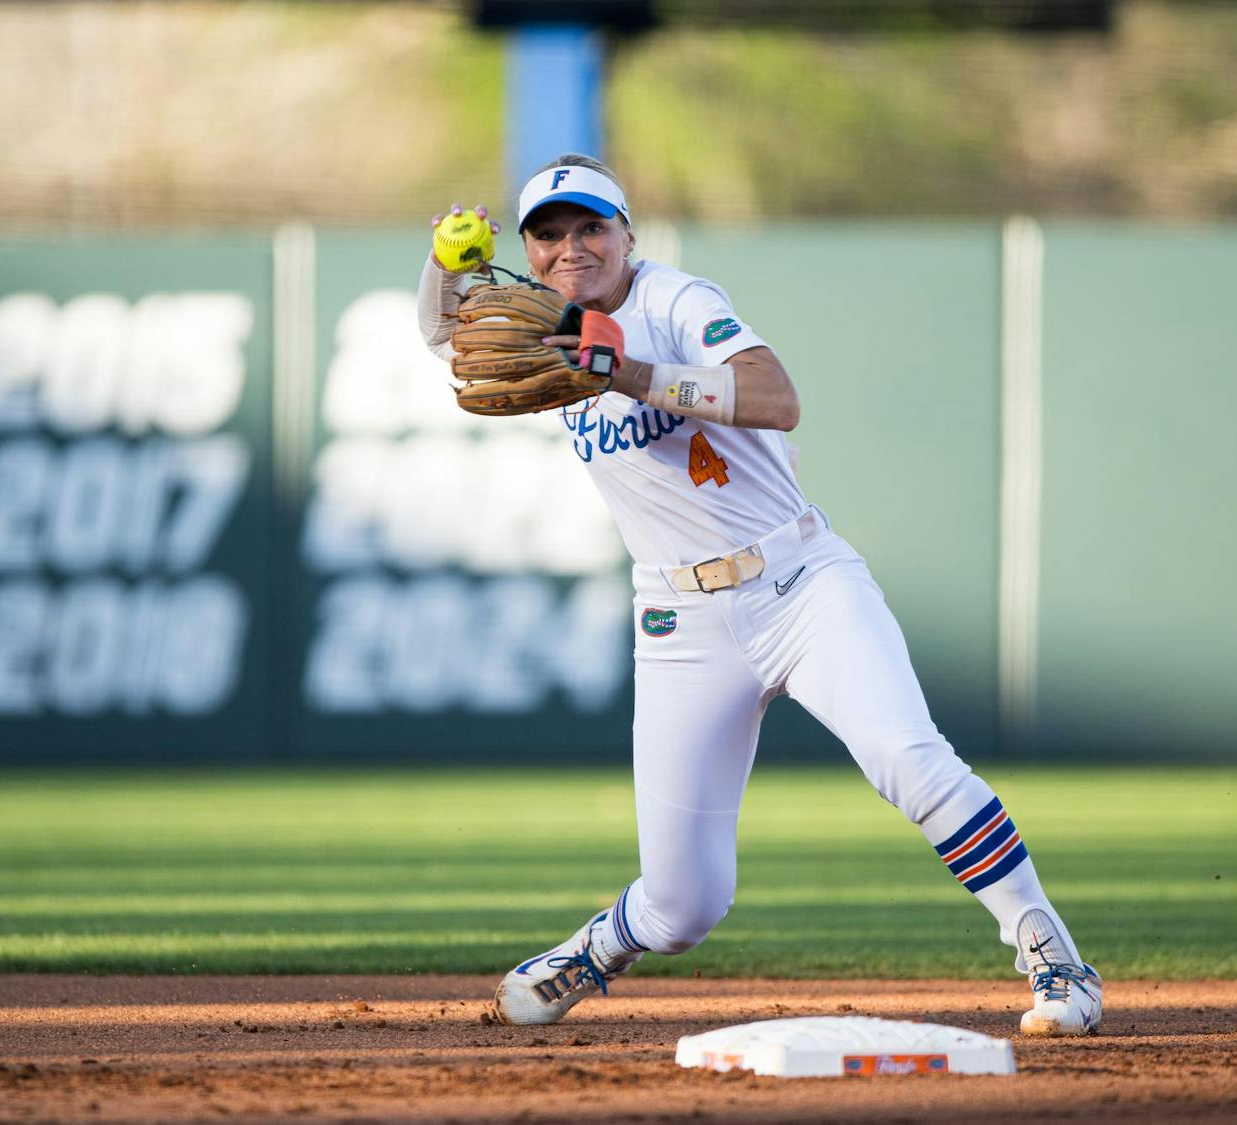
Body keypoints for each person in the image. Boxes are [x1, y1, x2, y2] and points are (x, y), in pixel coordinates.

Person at [417, 155, 1102, 1036]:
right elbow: (447, 336)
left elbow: (778, 398)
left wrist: (629, 373)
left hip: (800, 582)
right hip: (677, 620)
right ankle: (596, 948)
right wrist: (444, 262)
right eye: (547, 234)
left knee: (908, 757)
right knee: (681, 906)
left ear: (628, 232)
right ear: (530, 250)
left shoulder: (675, 301)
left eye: (591, 226)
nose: (570, 247)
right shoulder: (549, 323)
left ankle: (1055, 961)